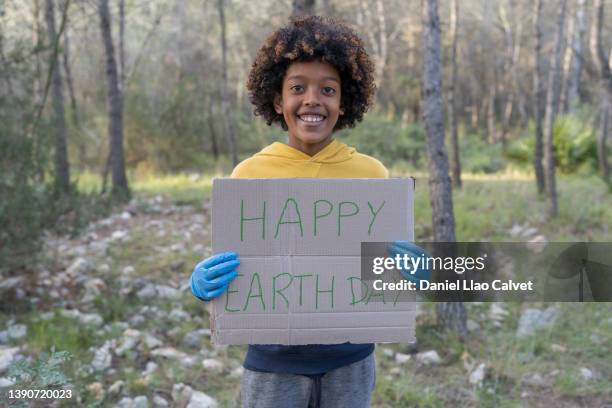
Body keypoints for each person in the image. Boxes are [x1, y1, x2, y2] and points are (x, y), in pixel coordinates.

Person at [190, 16, 427, 408]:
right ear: (277, 100)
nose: (312, 100)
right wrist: (206, 281)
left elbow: (378, 271)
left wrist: (412, 275)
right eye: (297, 88)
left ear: (344, 101)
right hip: (271, 366)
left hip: (350, 363)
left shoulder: (373, 176)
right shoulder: (248, 175)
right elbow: (239, 265)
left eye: (328, 89)